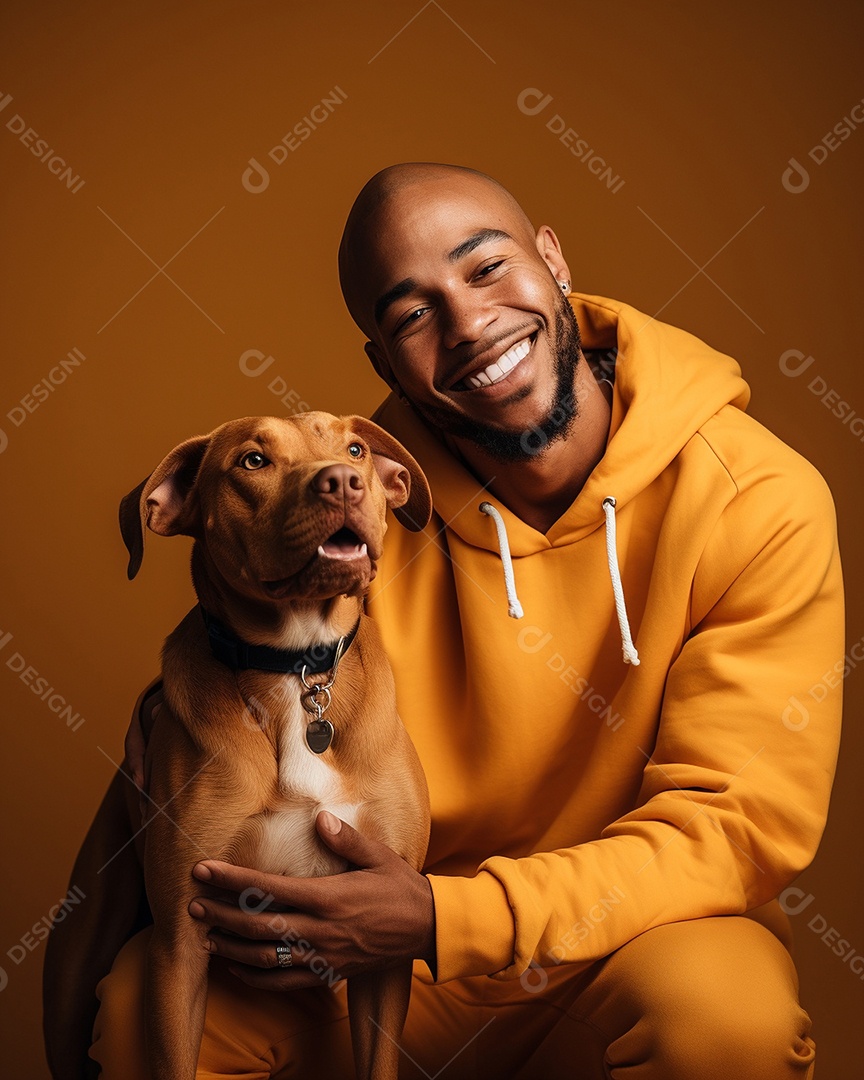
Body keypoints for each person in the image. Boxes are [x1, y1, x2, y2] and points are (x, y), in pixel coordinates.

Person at [83, 163, 842, 1078]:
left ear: (553, 259)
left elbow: (730, 826)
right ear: (382, 361)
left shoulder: (758, 499)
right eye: (412, 314)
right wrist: (177, 701)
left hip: (636, 941)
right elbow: (252, 624)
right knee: (138, 1013)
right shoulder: (356, 502)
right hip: (379, 962)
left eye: (487, 269)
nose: (470, 324)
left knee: (728, 1026)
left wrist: (447, 918)